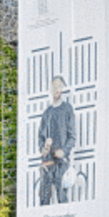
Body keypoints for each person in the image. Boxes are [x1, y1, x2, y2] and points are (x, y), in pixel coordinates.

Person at [38, 75, 75, 205]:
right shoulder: (46, 113)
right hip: (47, 163)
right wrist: (44, 148)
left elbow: (72, 137)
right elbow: (41, 139)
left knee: (62, 197)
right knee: (44, 198)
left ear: (63, 89)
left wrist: (64, 152)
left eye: (59, 86)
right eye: (54, 86)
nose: (56, 89)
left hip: (61, 163)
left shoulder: (67, 109)